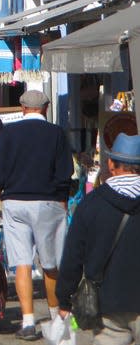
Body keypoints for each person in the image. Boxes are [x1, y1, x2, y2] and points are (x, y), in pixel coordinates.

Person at [0, 89, 73, 341]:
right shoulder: (56, 132)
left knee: (21, 262)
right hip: (49, 201)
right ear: (45, 108)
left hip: (14, 202)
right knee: (50, 264)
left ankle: (27, 321)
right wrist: (63, 204)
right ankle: (57, 317)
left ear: (22, 108)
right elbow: (64, 173)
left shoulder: (9, 132)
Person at [57, 133, 140, 345]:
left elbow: (73, 256)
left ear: (111, 164)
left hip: (106, 302)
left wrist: (65, 298)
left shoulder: (92, 203)